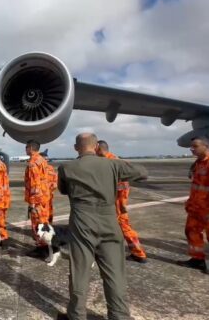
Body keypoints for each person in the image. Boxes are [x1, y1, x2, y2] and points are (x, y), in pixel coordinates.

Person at [57, 133, 147, 320]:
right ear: (96, 146)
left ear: (76, 148)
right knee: (115, 274)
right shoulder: (112, 163)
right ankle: (119, 315)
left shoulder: (66, 167)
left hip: (82, 221)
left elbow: (64, 190)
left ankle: (76, 315)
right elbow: (142, 172)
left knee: (79, 272)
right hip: (108, 220)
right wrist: (109, 162)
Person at [96, 140, 147, 263]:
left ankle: (138, 253)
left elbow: (122, 186)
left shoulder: (113, 162)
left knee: (123, 226)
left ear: (97, 148)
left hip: (116, 203)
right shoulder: (107, 161)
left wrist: (122, 204)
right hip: (111, 201)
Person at [177, 136, 209, 274]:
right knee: (191, 232)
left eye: (195, 146)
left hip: (207, 208)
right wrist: (190, 203)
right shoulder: (198, 163)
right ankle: (197, 260)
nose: (191, 149)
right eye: (191, 146)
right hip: (196, 207)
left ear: (206, 146)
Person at [24, 140, 50, 251]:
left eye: (26, 147)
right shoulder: (42, 160)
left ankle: (42, 248)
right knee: (43, 221)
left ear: (30, 148)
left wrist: (33, 203)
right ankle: (45, 246)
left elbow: (35, 183)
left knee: (38, 223)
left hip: (37, 199)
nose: (25, 149)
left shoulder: (33, 162)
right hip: (43, 196)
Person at [41, 151, 58, 224]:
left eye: (47, 159)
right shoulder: (37, 169)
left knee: (49, 212)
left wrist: (53, 185)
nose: (46, 160)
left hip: (49, 195)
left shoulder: (50, 168)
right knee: (41, 213)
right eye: (45, 159)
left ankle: (49, 225)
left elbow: (55, 179)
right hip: (41, 196)